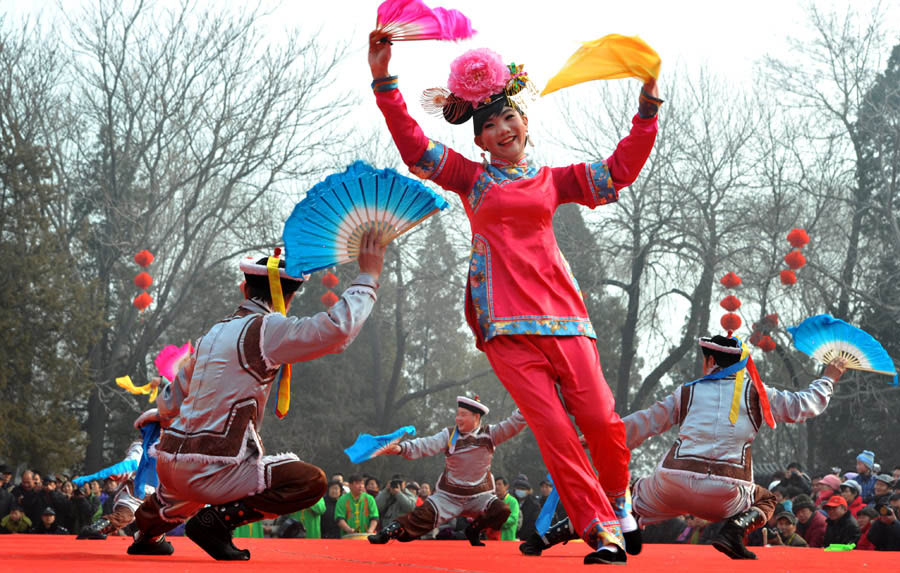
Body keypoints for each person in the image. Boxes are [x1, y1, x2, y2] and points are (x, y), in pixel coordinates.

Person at [368, 29, 661, 566]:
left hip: (566, 319)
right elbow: (413, 145)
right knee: (554, 433)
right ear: (478, 141)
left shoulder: (555, 180)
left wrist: (647, 107)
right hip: (505, 328)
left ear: (525, 122)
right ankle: (602, 531)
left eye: (508, 119)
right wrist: (385, 79)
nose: (501, 130)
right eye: (488, 126)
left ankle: (618, 503)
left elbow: (619, 171)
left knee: (601, 422)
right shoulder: (472, 179)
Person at [127, 232, 386, 560]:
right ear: (287, 298)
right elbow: (337, 329)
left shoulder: (212, 334)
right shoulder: (268, 329)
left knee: (183, 486)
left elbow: (172, 397)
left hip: (169, 461)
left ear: (244, 289)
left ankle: (147, 530)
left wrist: (158, 417)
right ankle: (217, 522)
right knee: (310, 482)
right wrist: (369, 276)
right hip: (213, 471)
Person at [520, 336, 848, 560]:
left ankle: (545, 537)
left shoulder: (687, 392)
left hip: (672, 482)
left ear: (709, 361)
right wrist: (829, 376)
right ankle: (733, 532)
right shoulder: (759, 394)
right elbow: (806, 405)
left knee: (620, 507)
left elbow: (642, 424)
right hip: (726, 491)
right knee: (767, 498)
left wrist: (594, 438)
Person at [367, 396, 526, 547]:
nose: (458, 419)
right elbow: (425, 444)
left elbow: (512, 425)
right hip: (449, 496)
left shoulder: (490, 434)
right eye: (457, 414)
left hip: (479, 495)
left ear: (476, 417)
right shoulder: (449, 435)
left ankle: (474, 530)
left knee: (502, 510)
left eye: (463, 415)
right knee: (420, 517)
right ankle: (388, 532)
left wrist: (527, 406)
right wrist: (400, 448)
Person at [492, 477, 520, 541]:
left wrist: (497, 522)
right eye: (495, 484)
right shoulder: (491, 500)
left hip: (507, 538)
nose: (497, 487)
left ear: (506, 486)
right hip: (492, 538)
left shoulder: (512, 501)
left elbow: (513, 518)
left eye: (499, 484)